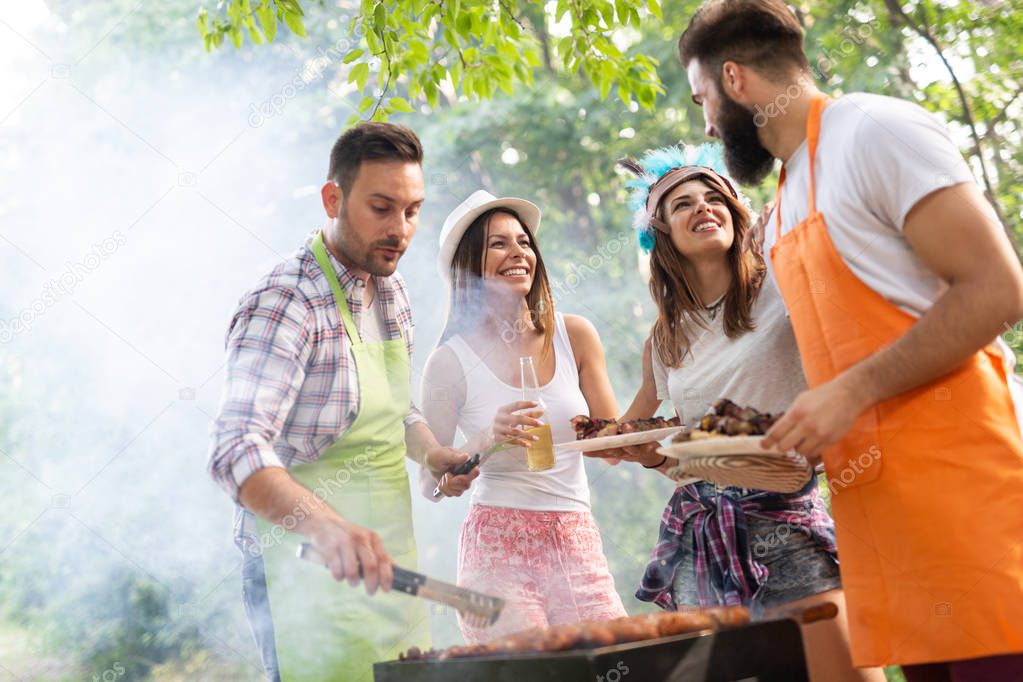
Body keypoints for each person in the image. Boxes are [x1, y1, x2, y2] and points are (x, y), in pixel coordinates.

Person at [678, 1, 1023, 678]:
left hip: (973, 503)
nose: (707, 123)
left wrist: (853, 390)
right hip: (885, 531)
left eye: (702, 101)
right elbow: (833, 369)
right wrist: (743, 445)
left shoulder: (871, 130)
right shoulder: (782, 204)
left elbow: (996, 289)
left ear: (733, 81)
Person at [591, 144, 879, 682]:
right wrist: (620, 444)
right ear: (661, 235)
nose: (703, 208)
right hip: (699, 536)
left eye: (714, 197)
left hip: (785, 520)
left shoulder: (781, 282)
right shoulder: (666, 337)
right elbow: (635, 436)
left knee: (847, 675)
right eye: (683, 204)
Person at [207, 122, 476, 682]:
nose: (400, 229)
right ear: (333, 198)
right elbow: (234, 449)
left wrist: (430, 453)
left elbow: (394, 409)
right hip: (302, 571)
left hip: (391, 568)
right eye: (382, 207)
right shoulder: (285, 301)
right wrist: (328, 525)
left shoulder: (392, 289)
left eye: (412, 210)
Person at [420, 190, 628, 643]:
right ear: (469, 265)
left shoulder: (575, 335)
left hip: (576, 538)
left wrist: (651, 393)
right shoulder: (449, 362)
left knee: (618, 661)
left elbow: (610, 446)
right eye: (499, 244)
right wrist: (482, 442)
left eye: (524, 242)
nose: (518, 253)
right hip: (497, 547)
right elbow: (431, 484)